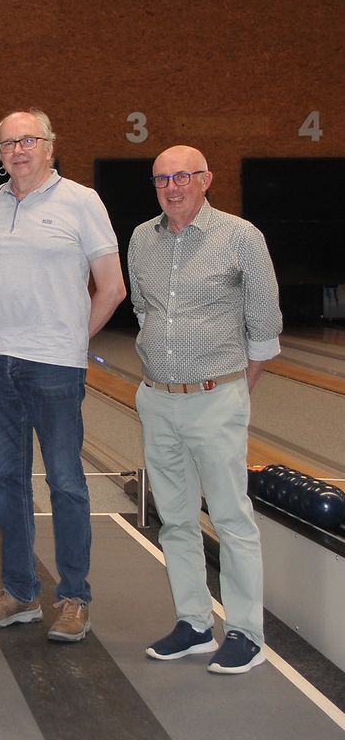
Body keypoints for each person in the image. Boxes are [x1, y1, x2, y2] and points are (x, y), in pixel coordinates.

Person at [0, 109, 126, 643]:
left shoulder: (82, 201)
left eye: (28, 140)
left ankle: (75, 597)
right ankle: (20, 592)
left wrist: (70, 342)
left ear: (50, 146)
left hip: (55, 366)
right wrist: (2, 335)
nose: (18, 150)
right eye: (7, 142)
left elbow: (112, 287)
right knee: (7, 483)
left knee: (66, 483)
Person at [130, 145, 281, 674]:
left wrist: (231, 392)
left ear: (206, 180)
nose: (172, 187)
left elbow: (264, 332)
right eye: (162, 179)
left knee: (231, 518)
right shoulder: (140, 240)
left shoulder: (242, 238)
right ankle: (194, 622)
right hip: (157, 399)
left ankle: (245, 632)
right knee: (174, 519)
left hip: (216, 396)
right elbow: (144, 311)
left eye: (183, 177)